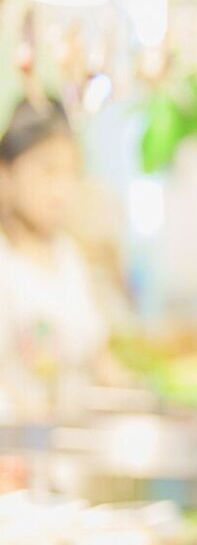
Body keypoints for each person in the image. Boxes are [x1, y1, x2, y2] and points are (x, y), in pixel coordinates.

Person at [0, 97, 120, 422]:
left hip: (71, 441)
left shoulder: (69, 258)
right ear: (6, 174)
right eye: (47, 171)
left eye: (70, 173)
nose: (60, 190)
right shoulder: (5, 265)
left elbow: (99, 358)